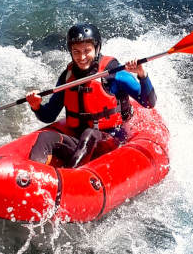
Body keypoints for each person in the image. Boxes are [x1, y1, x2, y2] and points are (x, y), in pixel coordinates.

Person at [26, 23, 157, 168]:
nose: (82, 57)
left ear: (97, 48)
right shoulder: (67, 77)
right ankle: (31, 174)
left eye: (87, 51)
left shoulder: (114, 73)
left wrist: (142, 74)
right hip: (79, 143)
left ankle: (72, 176)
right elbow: (49, 116)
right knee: (46, 137)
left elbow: (149, 103)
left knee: (90, 134)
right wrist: (36, 106)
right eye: (76, 52)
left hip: (112, 140)